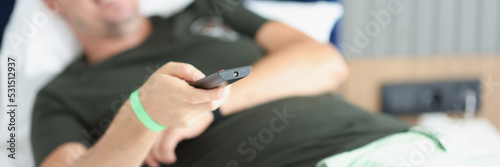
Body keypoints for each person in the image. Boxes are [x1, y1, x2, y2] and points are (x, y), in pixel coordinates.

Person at [31, 0, 414, 166]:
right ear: (53, 4)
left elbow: (325, 62)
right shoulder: (59, 97)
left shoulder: (208, 8)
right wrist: (143, 116)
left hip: (397, 146)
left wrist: (207, 113)